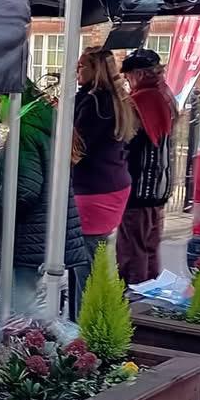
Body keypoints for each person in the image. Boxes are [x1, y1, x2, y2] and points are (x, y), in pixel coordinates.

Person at [0, 88, 88, 335]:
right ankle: (63, 353)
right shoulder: (44, 124)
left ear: (13, 100)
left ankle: (76, 350)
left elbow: (22, 192)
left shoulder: (26, 132)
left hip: (28, 235)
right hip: (44, 230)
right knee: (24, 308)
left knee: (26, 310)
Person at [117, 49, 179, 285]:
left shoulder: (142, 100)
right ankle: (149, 301)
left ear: (140, 74)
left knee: (133, 252)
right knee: (150, 249)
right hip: (158, 188)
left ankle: (134, 303)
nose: (127, 81)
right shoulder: (165, 95)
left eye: (129, 75)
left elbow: (126, 138)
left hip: (140, 189)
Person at [74, 47, 136, 258]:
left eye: (81, 66)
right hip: (115, 183)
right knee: (97, 257)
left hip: (93, 189)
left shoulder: (94, 102)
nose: (76, 70)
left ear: (96, 70)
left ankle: (89, 293)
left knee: (86, 262)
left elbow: (77, 147)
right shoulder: (118, 99)